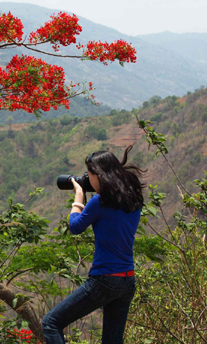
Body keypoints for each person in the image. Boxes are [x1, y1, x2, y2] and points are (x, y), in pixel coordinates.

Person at [42, 146, 145, 344]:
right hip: (127, 280)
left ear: (100, 175)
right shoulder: (133, 199)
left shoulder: (100, 201)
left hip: (105, 279)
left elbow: (75, 227)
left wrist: (78, 197)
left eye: (90, 176)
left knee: (51, 322)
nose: (89, 180)